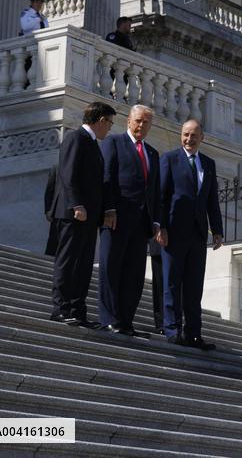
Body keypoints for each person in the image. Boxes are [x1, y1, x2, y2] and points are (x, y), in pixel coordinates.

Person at [158, 119, 224, 349]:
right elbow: (162, 196)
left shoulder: (208, 164)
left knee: (194, 286)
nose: (189, 139)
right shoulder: (169, 159)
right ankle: (172, 329)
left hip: (197, 234)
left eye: (193, 135)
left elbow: (211, 200)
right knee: (173, 283)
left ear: (201, 138)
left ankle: (194, 333)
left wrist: (217, 230)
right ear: (181, 135)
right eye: (185, 134)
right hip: (173, 231)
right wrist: (161, 226)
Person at [49, 101, 115, 327]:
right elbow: (68, 174)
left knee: (84, 264)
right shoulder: (75, 138)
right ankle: (60, 308)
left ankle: (77, 310)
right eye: (110, 123)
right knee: (67, 261)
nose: (110, 128)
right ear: (101, 120)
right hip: (72, 214)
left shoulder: (93, 144)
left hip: (89, 217)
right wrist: (77, 205)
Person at [98, 105, 161, 335]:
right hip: (116, 218)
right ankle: (108, 318)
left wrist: (156, 221)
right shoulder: (113, 143)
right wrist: (109, 209)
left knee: (134, 274)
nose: (141, 125)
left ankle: (126, 320)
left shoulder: (153, 153)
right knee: (110, 268)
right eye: (138, 121)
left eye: (146, 122)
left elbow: (154, 190)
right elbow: (106, 177)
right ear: (128, 121)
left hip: (141, 223)